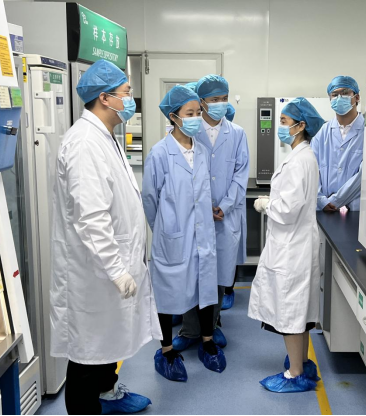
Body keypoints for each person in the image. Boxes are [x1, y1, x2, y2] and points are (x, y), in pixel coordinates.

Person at [50, 60, 161, 415]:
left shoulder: (104, 136)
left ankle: (108, 393)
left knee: (107, 343)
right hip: (93, 272)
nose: (131, 100)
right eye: (126, 93)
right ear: (104, 98)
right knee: (88, 353)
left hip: (110, 266)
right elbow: (91, 217)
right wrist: (116, 269)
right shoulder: (85, 143)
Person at [142, 85, 226, 382]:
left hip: (202, 234)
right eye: (189, 113)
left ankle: (207, 341)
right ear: (173, 117)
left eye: (198, 112)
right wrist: (166, 230)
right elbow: (149, 198)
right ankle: (166, 350)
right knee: (167, 293)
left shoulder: (201, 151)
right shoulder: (159, 153)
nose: (196, 118)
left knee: (205, 288)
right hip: (172, 236)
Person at [248, 98, 324, 393]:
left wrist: (265, 204)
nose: (279, 126)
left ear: (300, 126)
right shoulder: (301, 157)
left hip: (292, 246)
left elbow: (288, 209)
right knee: (298, 311)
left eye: (283, 121)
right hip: (295, 243)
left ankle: (295, 374)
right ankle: (301, 363)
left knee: (291, 312)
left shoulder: (300, 161)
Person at [173, 75, 249, 351]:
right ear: (202, 101)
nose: (220, 104)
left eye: (224, 98)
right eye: (214, 99)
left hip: (225, 216)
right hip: (194, 216)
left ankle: (213, 325)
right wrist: (202, 207)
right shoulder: (189, 131)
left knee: (217, 274)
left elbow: (241, 174)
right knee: (192, 273)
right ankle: (189, 329)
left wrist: (225, 206)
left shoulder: (237, 133)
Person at [312, 76, 364, 213]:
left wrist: (335, 201)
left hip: (356, 210)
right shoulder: (323, 132)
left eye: (345, 93)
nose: (339, 98)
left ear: (357, 97)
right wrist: (320, 199)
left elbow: (364, 174)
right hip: (324, 209)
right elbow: (311, 169)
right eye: (334, 95)